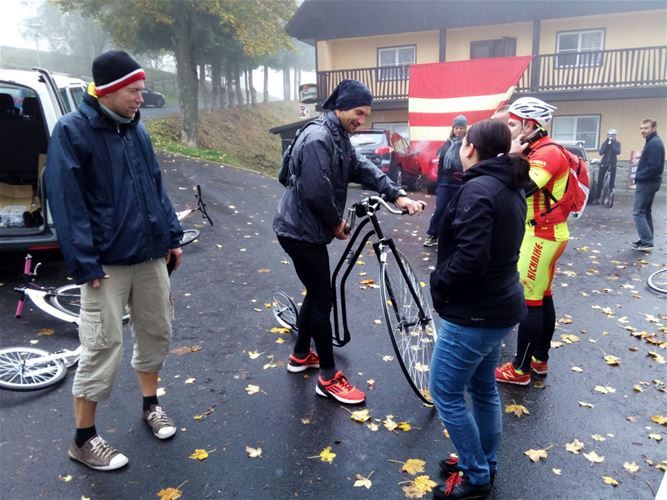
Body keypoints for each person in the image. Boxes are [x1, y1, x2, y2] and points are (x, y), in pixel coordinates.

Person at [44, 51, 183, 471]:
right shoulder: (73, 130)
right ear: (107, 91)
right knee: (102, 346)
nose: (141, 98)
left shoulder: (136, 130)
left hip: (149, 254)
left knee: (157, 331)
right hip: (105, 264)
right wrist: (84, 261)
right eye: (134, 90)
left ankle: (150, 405)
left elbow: (156, 185)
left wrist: (172, 236)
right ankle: (83, 439)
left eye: (142, 90)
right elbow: (66, 202)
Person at [273, 79, 424, 405]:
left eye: (366, 114)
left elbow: (361, 167)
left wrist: (395, 194)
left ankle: (300, 356)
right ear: (339, 107)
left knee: (317, 292)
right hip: (298, 231)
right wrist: (336, 222)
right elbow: (315, 191)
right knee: (322, 297)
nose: (362, 120)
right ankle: (327, 378)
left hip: (307, 227)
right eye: (358, 112)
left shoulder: (338, 136)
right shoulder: (318, 138)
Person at [429, 120, 529, 499]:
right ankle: (484, 462)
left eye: (465, 142)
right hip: (501, 306)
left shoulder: (479, 189)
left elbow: (470, 259)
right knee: (483, 388)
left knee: (445, 392)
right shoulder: (509, 183)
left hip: (475, 313)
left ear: (469, 148)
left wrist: (439, 281)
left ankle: (476, 477)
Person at [495, 97, 569, 386]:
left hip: (543, 234)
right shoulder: (535, 148)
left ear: (530, 125)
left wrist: (508, 157)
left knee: (530, 300)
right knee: (543, 296)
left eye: (513, 125)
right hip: (541, 232)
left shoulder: (548, 153)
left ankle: (520, 369)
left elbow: (520, 188)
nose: (509, 130)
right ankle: (539, 359)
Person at [424, 115, 468, 247]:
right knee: (440, 209)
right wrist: (440, 181)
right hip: (445, 182)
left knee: (456, 212)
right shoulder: (447, 144)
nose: (458, 131)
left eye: (461, 128)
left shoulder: (468, 144)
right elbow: (441, 164)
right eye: (456, 128)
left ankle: (453, 238)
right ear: (453, 128)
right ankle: (433, 234)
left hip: (460, 183)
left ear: (465, 129)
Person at [632, 119, 664, 251]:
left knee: (638, 212)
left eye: (646, 128)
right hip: (650, 181)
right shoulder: (652, 142)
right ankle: (647, 239)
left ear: (654, 128)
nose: (642, 131)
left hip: (648, 182)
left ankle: (647, 242)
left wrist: (639, 176)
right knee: (645, 212)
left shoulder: (654, 144)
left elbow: (654, 167)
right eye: (641, 128)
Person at [593, 128, 621, 203]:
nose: (611, 137)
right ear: (607, 136)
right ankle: (597, 198)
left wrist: (612, 144)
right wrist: (607, 144)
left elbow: (618, 152)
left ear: (615, 136)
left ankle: (610, 198)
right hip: (604, 163)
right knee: (600, 181)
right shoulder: (605, 143)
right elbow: (601, 153)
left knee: (612, 182)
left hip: (613, 164)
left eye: (613, 135)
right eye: (610, 135)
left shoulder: (617, 143)